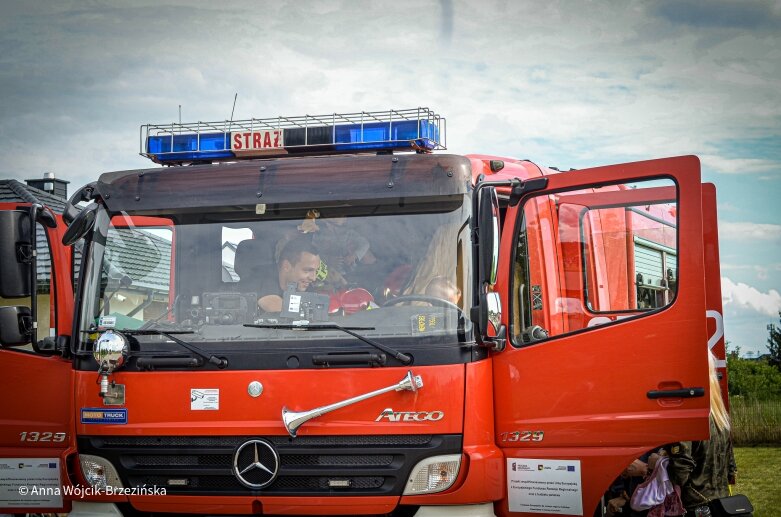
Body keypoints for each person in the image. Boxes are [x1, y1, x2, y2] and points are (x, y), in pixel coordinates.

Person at [662, 350, 737, 515]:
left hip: (696, 506)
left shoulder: (688, 418)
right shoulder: (721, 418)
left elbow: (680, 474)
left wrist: (658, 464)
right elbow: (730, 468)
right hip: (722, 503)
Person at [257, 237, 320, 313]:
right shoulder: (261, 279)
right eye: (307, 270)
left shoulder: (306, 286)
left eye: (315, 271)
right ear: (286, 266)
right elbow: (275, 308)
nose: (313, 278)